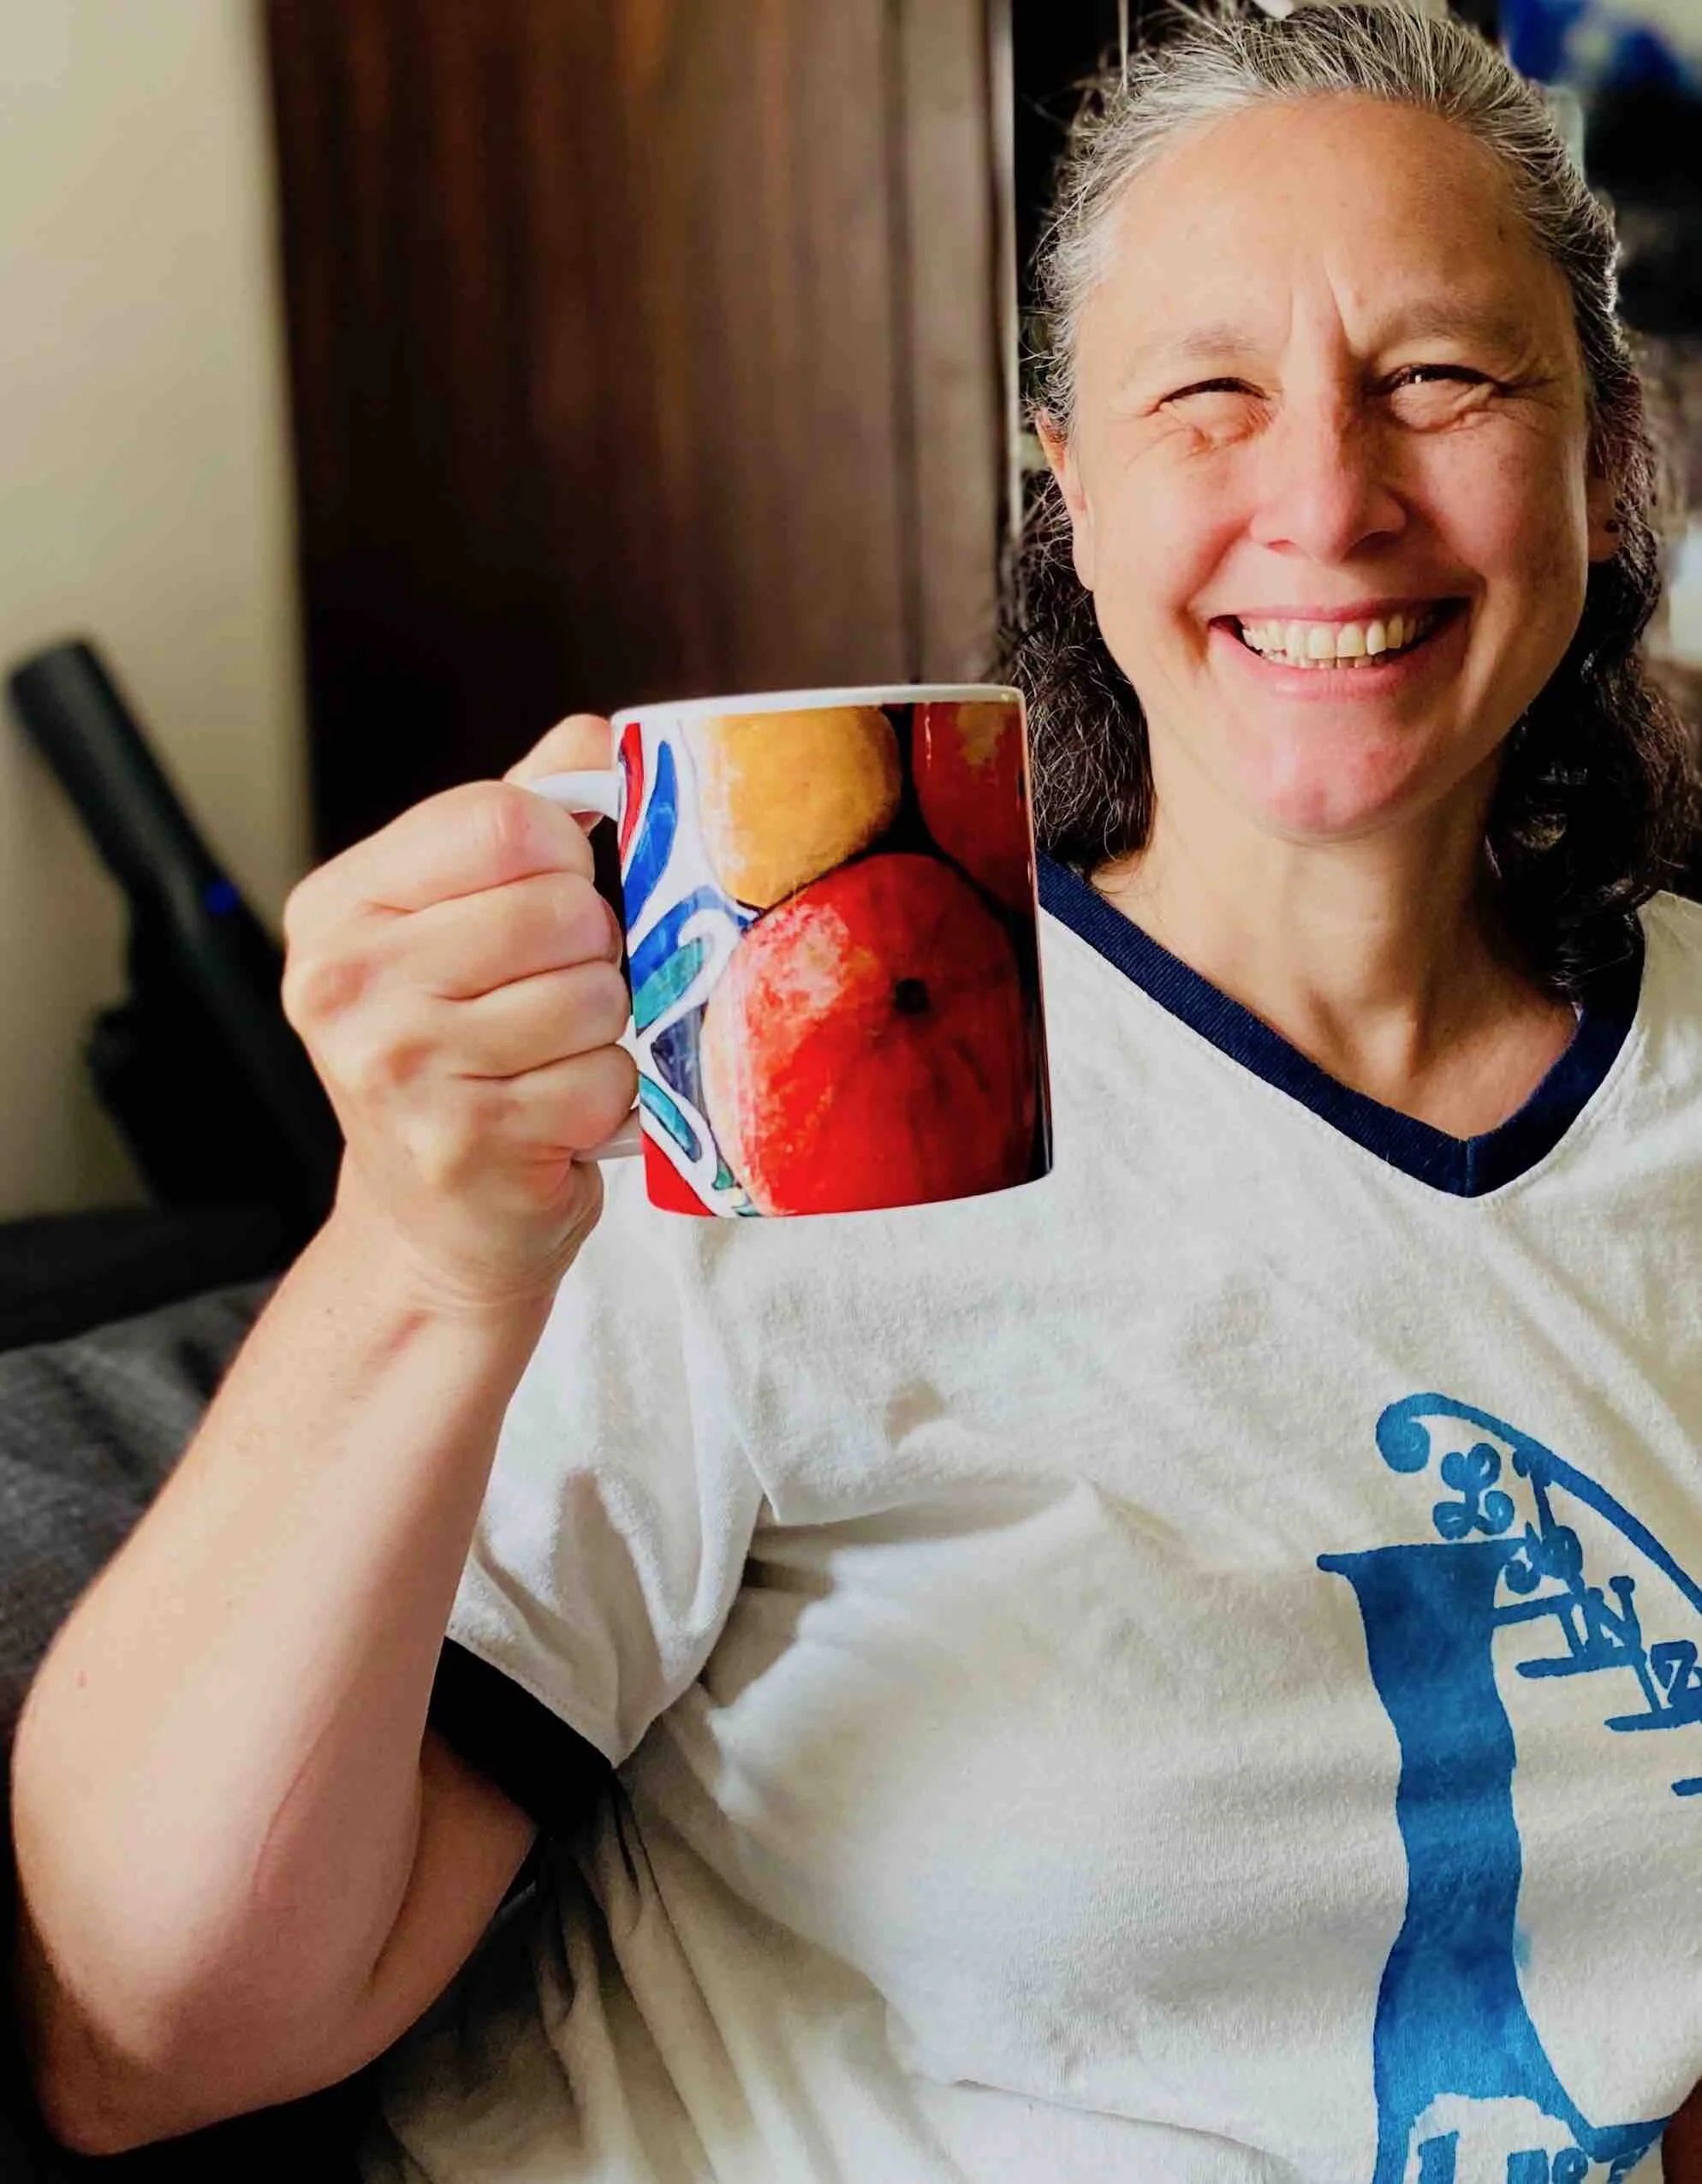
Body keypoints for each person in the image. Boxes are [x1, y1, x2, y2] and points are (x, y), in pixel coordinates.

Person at [13, 3, 1702, 2178]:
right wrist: (420, 1262)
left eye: (1441, 378)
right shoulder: (790, 1083)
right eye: (1207, 395)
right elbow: (158, 2031)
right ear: (1066, 488)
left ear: (1603, 454)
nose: (1326, 497)